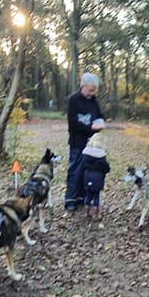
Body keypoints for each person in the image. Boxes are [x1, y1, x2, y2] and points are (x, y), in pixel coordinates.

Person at [64, 72, 105, 212]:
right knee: (75, 171)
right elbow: (72, 124)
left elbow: (99, 115)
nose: (92, 93)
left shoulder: (94, 100)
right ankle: (70, 200)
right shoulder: (73, 100)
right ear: (83, 86)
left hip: (92, 144)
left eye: (94, 90)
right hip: (77, 142)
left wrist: (101, 122)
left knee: (87, 172)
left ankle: (82, 198)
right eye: (90, 89)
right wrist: (90, 128)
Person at [82, 132, 110, 220]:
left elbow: (83, 165)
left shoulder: (86, 153)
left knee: (88, 195)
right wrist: (106, 169)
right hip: (98, 178)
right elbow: (105, 167)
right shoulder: (101, 155)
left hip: (87, 176)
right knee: (96, 196)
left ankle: (86, 212)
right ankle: (95, 215)